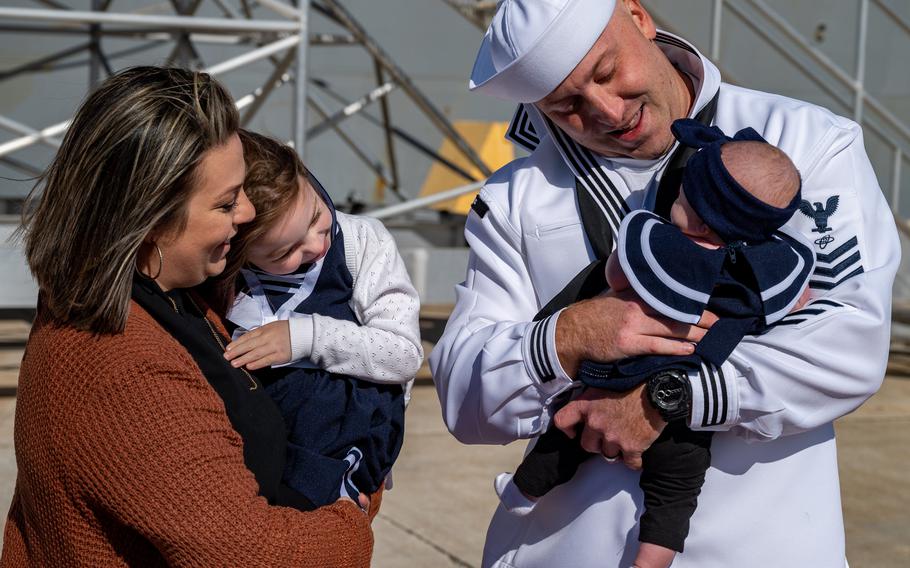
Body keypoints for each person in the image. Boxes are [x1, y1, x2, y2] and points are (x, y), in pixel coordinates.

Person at [429, 0, 900, 566]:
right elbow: (462, 396)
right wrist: (567, 339)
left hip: (765, 545)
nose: (605, 110)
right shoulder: (513, 197)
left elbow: (850, 344)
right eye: (567, 105)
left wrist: (667, 398)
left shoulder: (803, 142)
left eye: (606, 72)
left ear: (638, 15)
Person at [2, 66, 374, 567]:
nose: (246, 214)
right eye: (225, 203)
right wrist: (354, 508)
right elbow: (255, 556)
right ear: (149, 220)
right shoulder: (123, 372)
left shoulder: (159, 301)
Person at [496, 119, 815, 568]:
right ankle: (655, 555)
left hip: (618, 376)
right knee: (678, 487)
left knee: (566, 429)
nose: (674, 203)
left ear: (699, 215)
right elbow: (790, 307)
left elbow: (616, 277)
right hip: (695, 399)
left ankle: (521, 491)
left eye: (682, 198)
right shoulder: (764, 266)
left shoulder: (657, 243)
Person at [207, 129, 421, 509]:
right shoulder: (224, 276)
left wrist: (306, 337)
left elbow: (404, 355)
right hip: (261, 460)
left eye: (316, 214)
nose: (317, 243)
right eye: (286, 250)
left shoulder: (362, 243)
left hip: (345, 445)